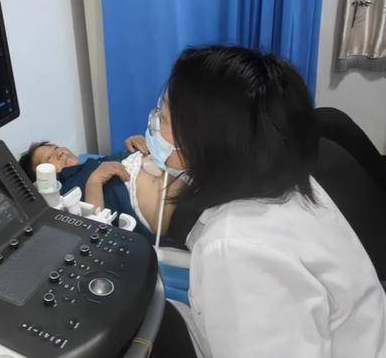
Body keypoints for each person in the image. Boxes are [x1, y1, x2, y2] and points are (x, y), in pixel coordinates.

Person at [151, 46, 386, 357]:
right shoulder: (294, 185)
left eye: (163, 117)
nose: (154, 124)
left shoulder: (236, 249)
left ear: (204, 139)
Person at [18, 136, 185, 242]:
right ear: (43, 179)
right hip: (172, 204)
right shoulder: (64, 194)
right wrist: (95, 182)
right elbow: (92, 239)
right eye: (49, 158)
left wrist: (141, 143)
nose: (59, 152)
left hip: (177, 173)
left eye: (56, 147)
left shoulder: (96, 162)